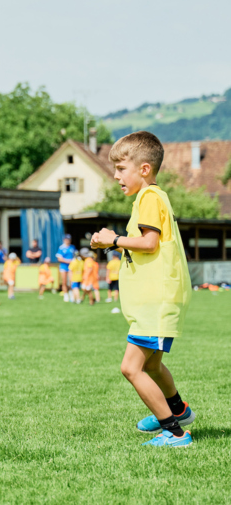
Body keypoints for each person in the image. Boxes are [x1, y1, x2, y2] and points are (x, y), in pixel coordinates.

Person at [90, 130, 194, 447]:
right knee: (151, 364)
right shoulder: (147, 200)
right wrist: (114, 243)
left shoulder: (149, 197)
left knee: (130, 367)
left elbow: (148, 243)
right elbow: (150, 245)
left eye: (122, 168)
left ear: (144, 169)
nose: (116, 175)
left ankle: (174, 432)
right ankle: (178, 410)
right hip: (156, 300)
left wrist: (114, 239)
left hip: (156, 302)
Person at [56, 234, 76, 301]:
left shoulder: (72, 247)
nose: (68, 241)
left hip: (71, 267)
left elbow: (75, 256)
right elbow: (59, 258)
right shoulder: (61, 248)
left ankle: (71, 292)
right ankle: (65, 294)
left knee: (71, 280)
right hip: (63, 266)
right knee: (64, 281)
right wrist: (67, 261)